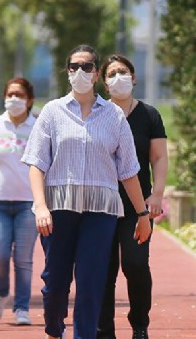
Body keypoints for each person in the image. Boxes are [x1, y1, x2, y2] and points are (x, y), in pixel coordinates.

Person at [21, 44, 152, 339]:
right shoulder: (52, 113)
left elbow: (129, 171)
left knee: (92, 280)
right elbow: (36, 163)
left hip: (101, 212)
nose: (80, 72)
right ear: (67, 72)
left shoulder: (114, 117)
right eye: (74, 67)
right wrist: (40, 206)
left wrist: (142, 214)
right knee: (56, 281)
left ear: (96, 74)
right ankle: (54, 324)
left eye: (87, 67)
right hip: (59, 210)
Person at [96, 54, 168, 339]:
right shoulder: (97, 113)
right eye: (111, 74)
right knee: (103, 269)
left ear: (134, 78)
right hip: (99, 205)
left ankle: (139, 324)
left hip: (137, 207)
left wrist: (157, 194)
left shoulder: (149, 115)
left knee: (135, 264)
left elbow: (159, 157)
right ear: (103, 83)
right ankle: (104, 331)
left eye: (123, 72)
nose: (118, 78)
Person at [0, 77, 39, 325]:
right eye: (10, 94)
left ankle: (22, 307)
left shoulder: (37, 127)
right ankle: (1, 293)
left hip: (28, 203)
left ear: (30, 100)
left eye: (20, 95)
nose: (14, 99)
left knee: (23, 258)